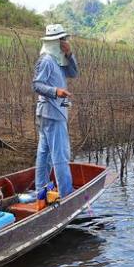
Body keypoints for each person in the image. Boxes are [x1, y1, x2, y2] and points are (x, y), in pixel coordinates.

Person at [32, 23, 78, 196]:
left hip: (51, 113)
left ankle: (41, 191)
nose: (65, 42)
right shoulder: (46, 60)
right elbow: (36, 84)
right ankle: (66, 194)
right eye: (62, 39)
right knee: (60, 156)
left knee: (44, 154)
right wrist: (55, 92)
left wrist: (69, 54)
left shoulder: (58, 60)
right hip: (52, 113)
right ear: (54, 41)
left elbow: (73, 73)